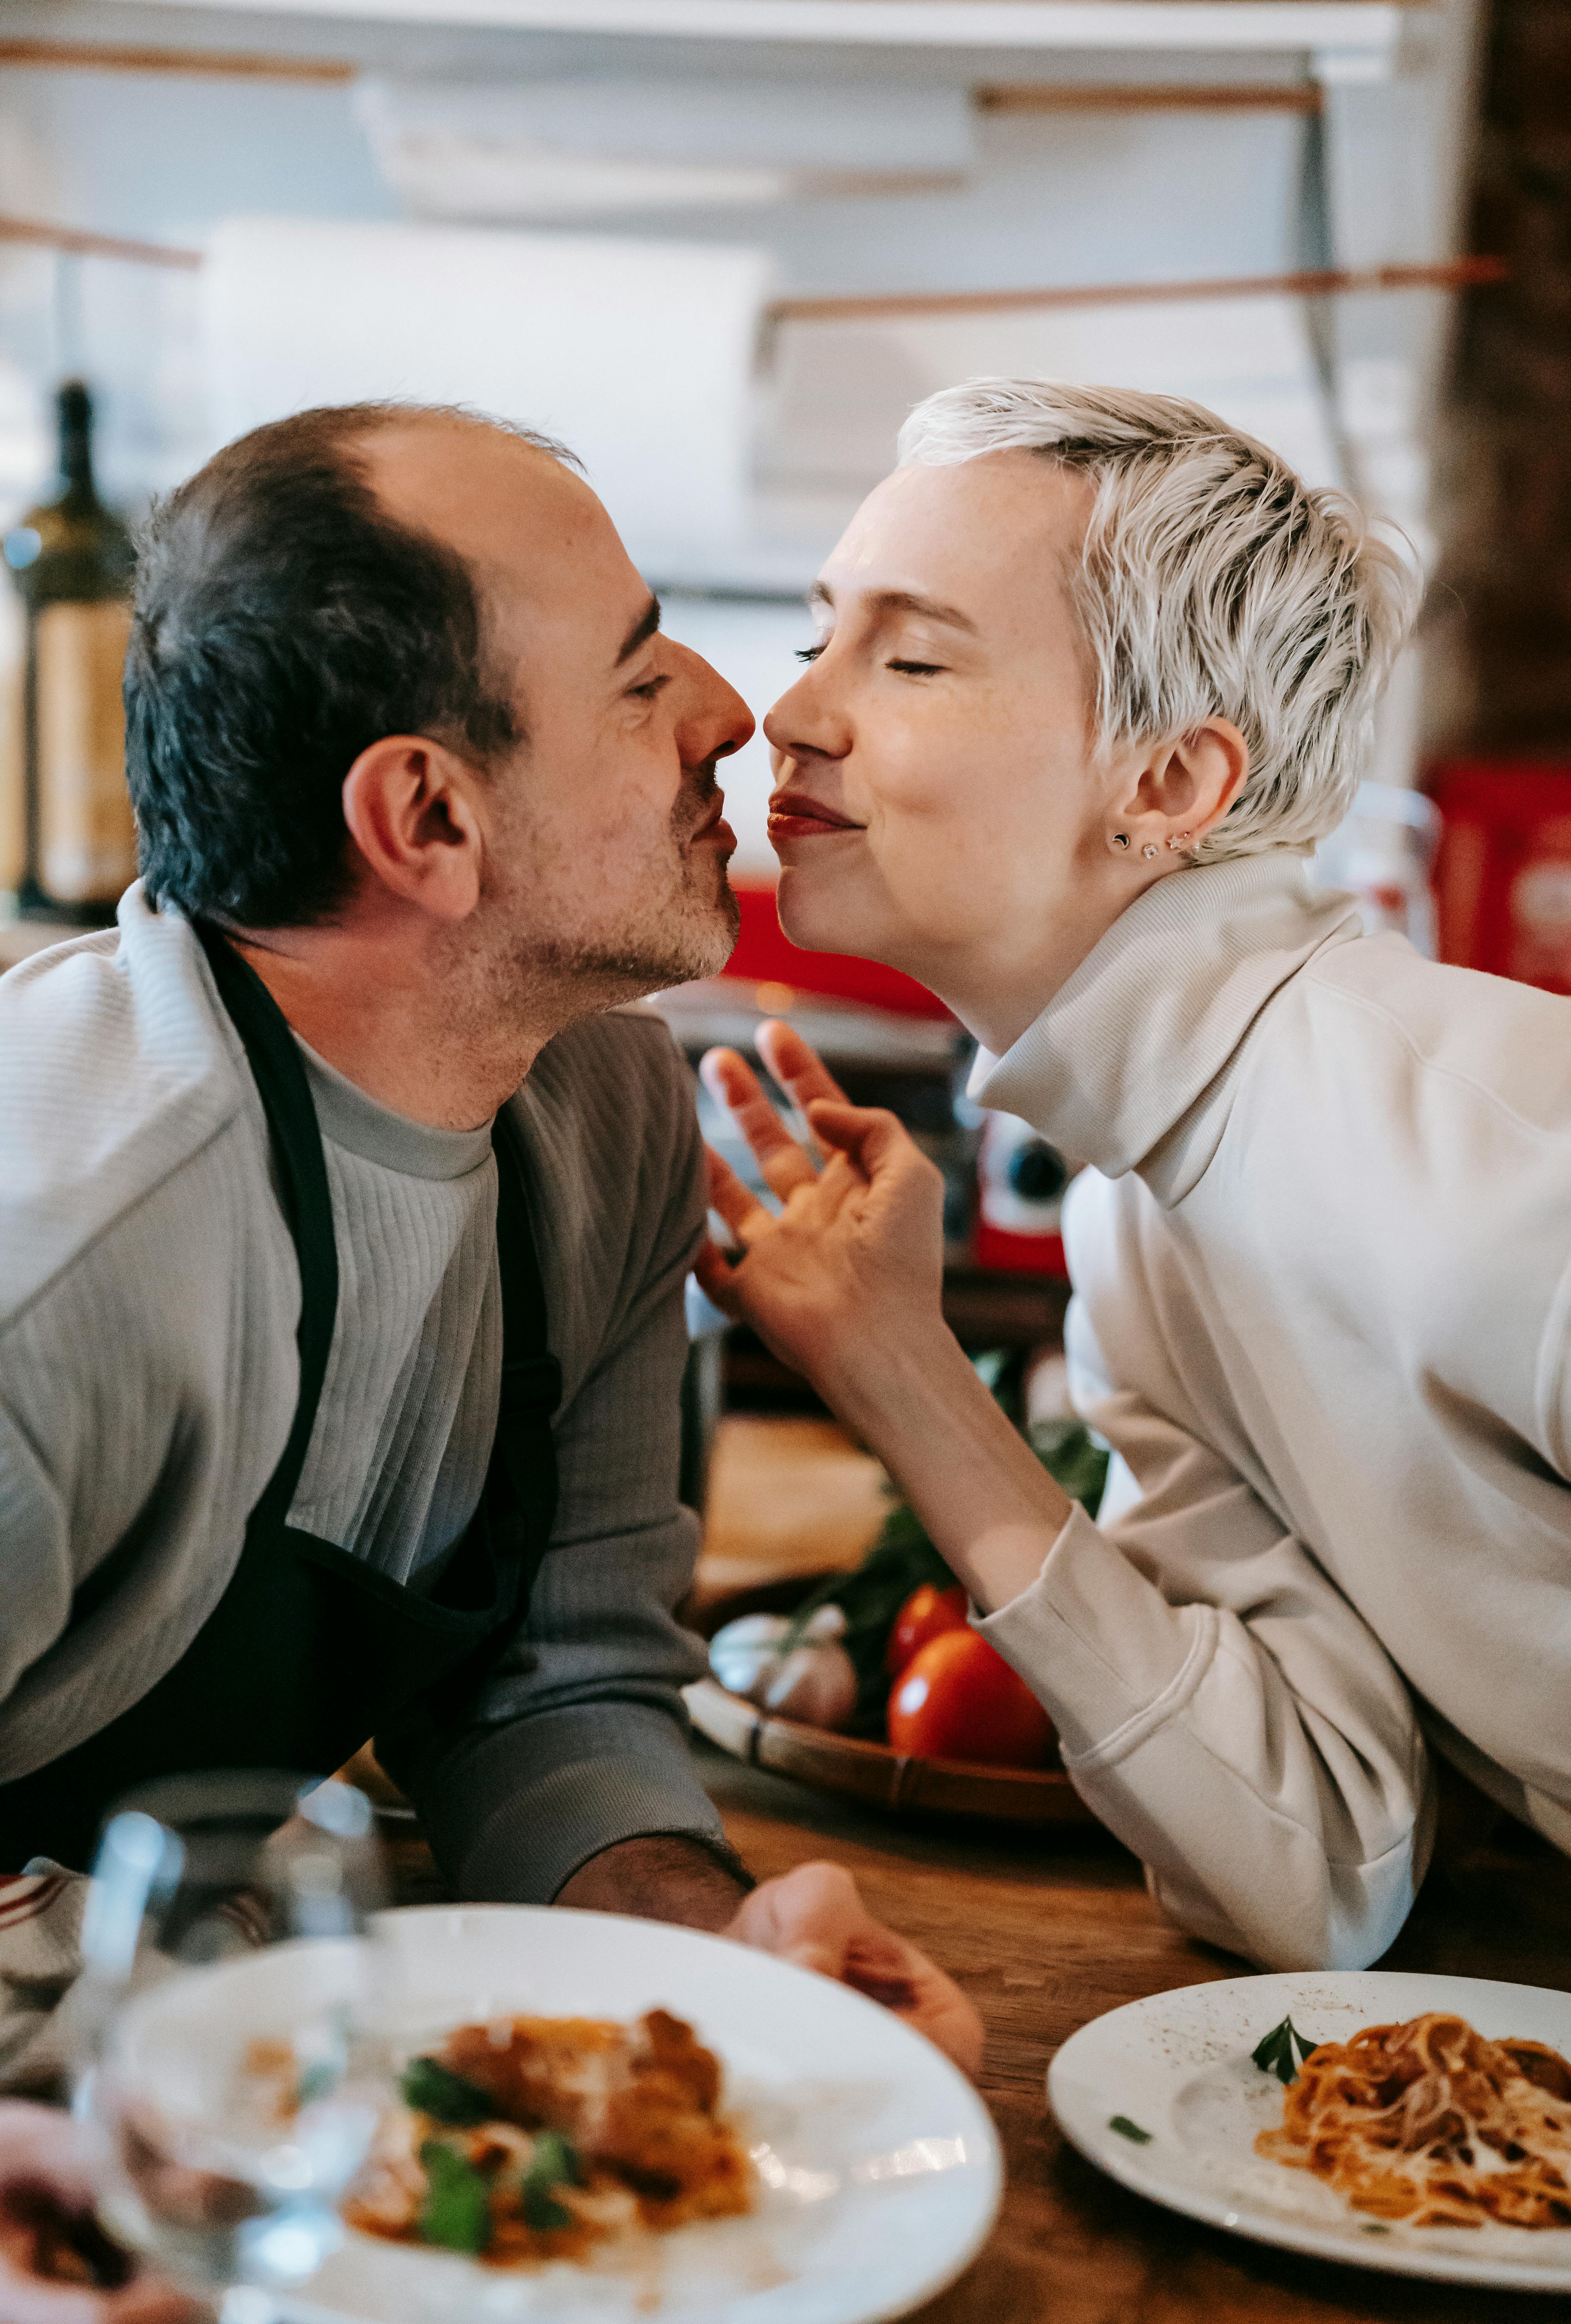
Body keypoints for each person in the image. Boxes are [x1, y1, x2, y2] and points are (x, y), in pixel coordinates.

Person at [0, 404, 978, 2320]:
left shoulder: (600, 1107)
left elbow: (555, 1684)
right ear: (426, 820)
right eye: (637, 671)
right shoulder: (56, 1261)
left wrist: (714, 1966)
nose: (731, 709)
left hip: (212, 2095)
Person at [698, 374, 1571, 1982]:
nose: (797, 714)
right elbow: (1315, 1871)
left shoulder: (1503, 1154)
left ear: (1169, 786)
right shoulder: (1135, 1222)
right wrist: (901, 1377)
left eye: (910, 656)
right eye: (820, 636)